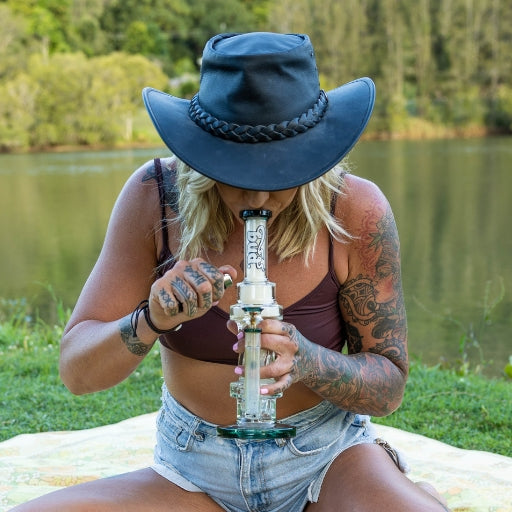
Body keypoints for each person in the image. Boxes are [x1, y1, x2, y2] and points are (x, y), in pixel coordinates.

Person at [12, 32, 449, 512]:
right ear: (203, 151)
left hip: (326, 460)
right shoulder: (155, 196)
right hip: (191, 471)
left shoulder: (353, 209)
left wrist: (305, 358)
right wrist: (151, 318)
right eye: (238, 172)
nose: (258, 198)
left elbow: (388, 384)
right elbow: (77, 372)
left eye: (280, 172)